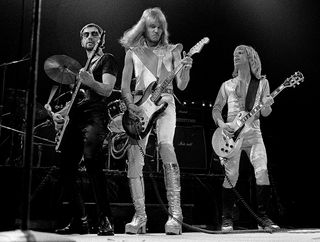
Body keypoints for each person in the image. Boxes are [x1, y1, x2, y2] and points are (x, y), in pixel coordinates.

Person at [119, 7, 193, 235]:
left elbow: (181, 85)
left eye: (160, 26)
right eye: (152, 26)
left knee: (166, 147)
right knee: (134, 157)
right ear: (144, 27)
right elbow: (124, 87)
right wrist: (131, 106)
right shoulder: (132, 51)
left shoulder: (173, 50)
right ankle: (140, 216)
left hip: (166, 101)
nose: (157, 30)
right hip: (141, 105)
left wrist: (187, 69)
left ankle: (175, 215)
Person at [51, 23, 118, 235]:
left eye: (94, 34)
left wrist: (90, 81)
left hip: (95, 116)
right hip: (76, 118)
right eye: (86, 35)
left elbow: (107, 90)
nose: (90, 37)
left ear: (101, 39)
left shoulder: (107, 59)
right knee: (65, 169)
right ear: (82, 41)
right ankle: (80, 220)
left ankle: (105, 220)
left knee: (92, 163)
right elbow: (75, 102)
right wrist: (58, 115)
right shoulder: (81, 69)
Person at [211, 45, 280, 231]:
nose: (235, 56)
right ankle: (227, 218)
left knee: (262, 170)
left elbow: (265, 113)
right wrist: (221, 124)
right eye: (234, 53)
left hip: (254, 132)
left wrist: (267, 105)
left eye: (240, 53)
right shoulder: (227, 84)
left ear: (250, 57)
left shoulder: (262, 83)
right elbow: (216, 108)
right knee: (231, 175)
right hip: (231, 133)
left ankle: (263, 218)